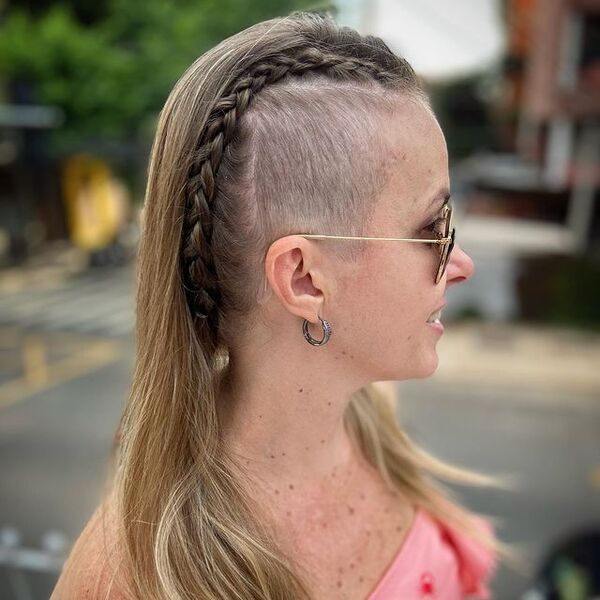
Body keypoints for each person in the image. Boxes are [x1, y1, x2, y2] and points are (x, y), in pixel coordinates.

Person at [51, 11, 516, 600]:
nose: (460, 264)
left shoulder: (375, 426)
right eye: (434, 226)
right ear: (303, 278)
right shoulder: (130, 578)